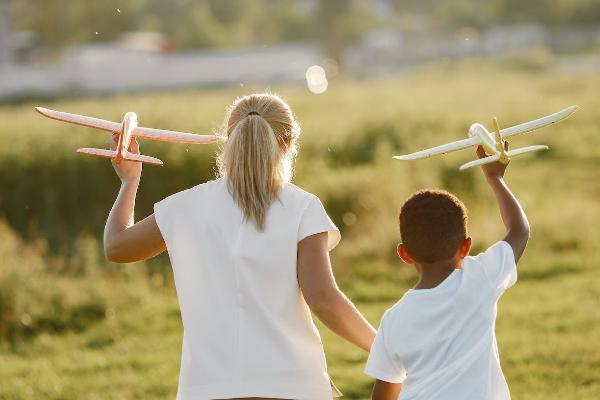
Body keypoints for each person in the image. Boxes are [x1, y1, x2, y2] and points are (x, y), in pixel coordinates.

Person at [103, 93, 376, 400]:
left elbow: (117, 246)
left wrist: (129, 181)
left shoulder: (185, 206)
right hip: (291, 386)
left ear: (229, 141)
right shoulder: (301, 207)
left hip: (206, 388)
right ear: (287, 145)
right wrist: (383, 348)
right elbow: (323, 297)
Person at [365, 142, 529, 400]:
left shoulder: (393, 319)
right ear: (466, 247)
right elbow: (519, 230)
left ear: (403, 254)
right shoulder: (480, 278)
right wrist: (495, 177)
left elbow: (383, 395)